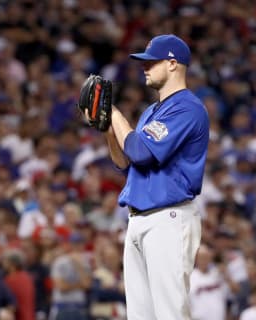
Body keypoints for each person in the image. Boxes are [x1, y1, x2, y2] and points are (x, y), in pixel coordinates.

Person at [103, 34, 210, 319]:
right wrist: (108, 131)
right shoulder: (152, 111)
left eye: (152, 62)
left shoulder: (187, 108)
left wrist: (113, 112)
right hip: (138, 220)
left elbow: (140, 152)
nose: (145, 67)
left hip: (169, 220)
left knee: (170, 314)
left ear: (173, 63)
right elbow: (126, 164)